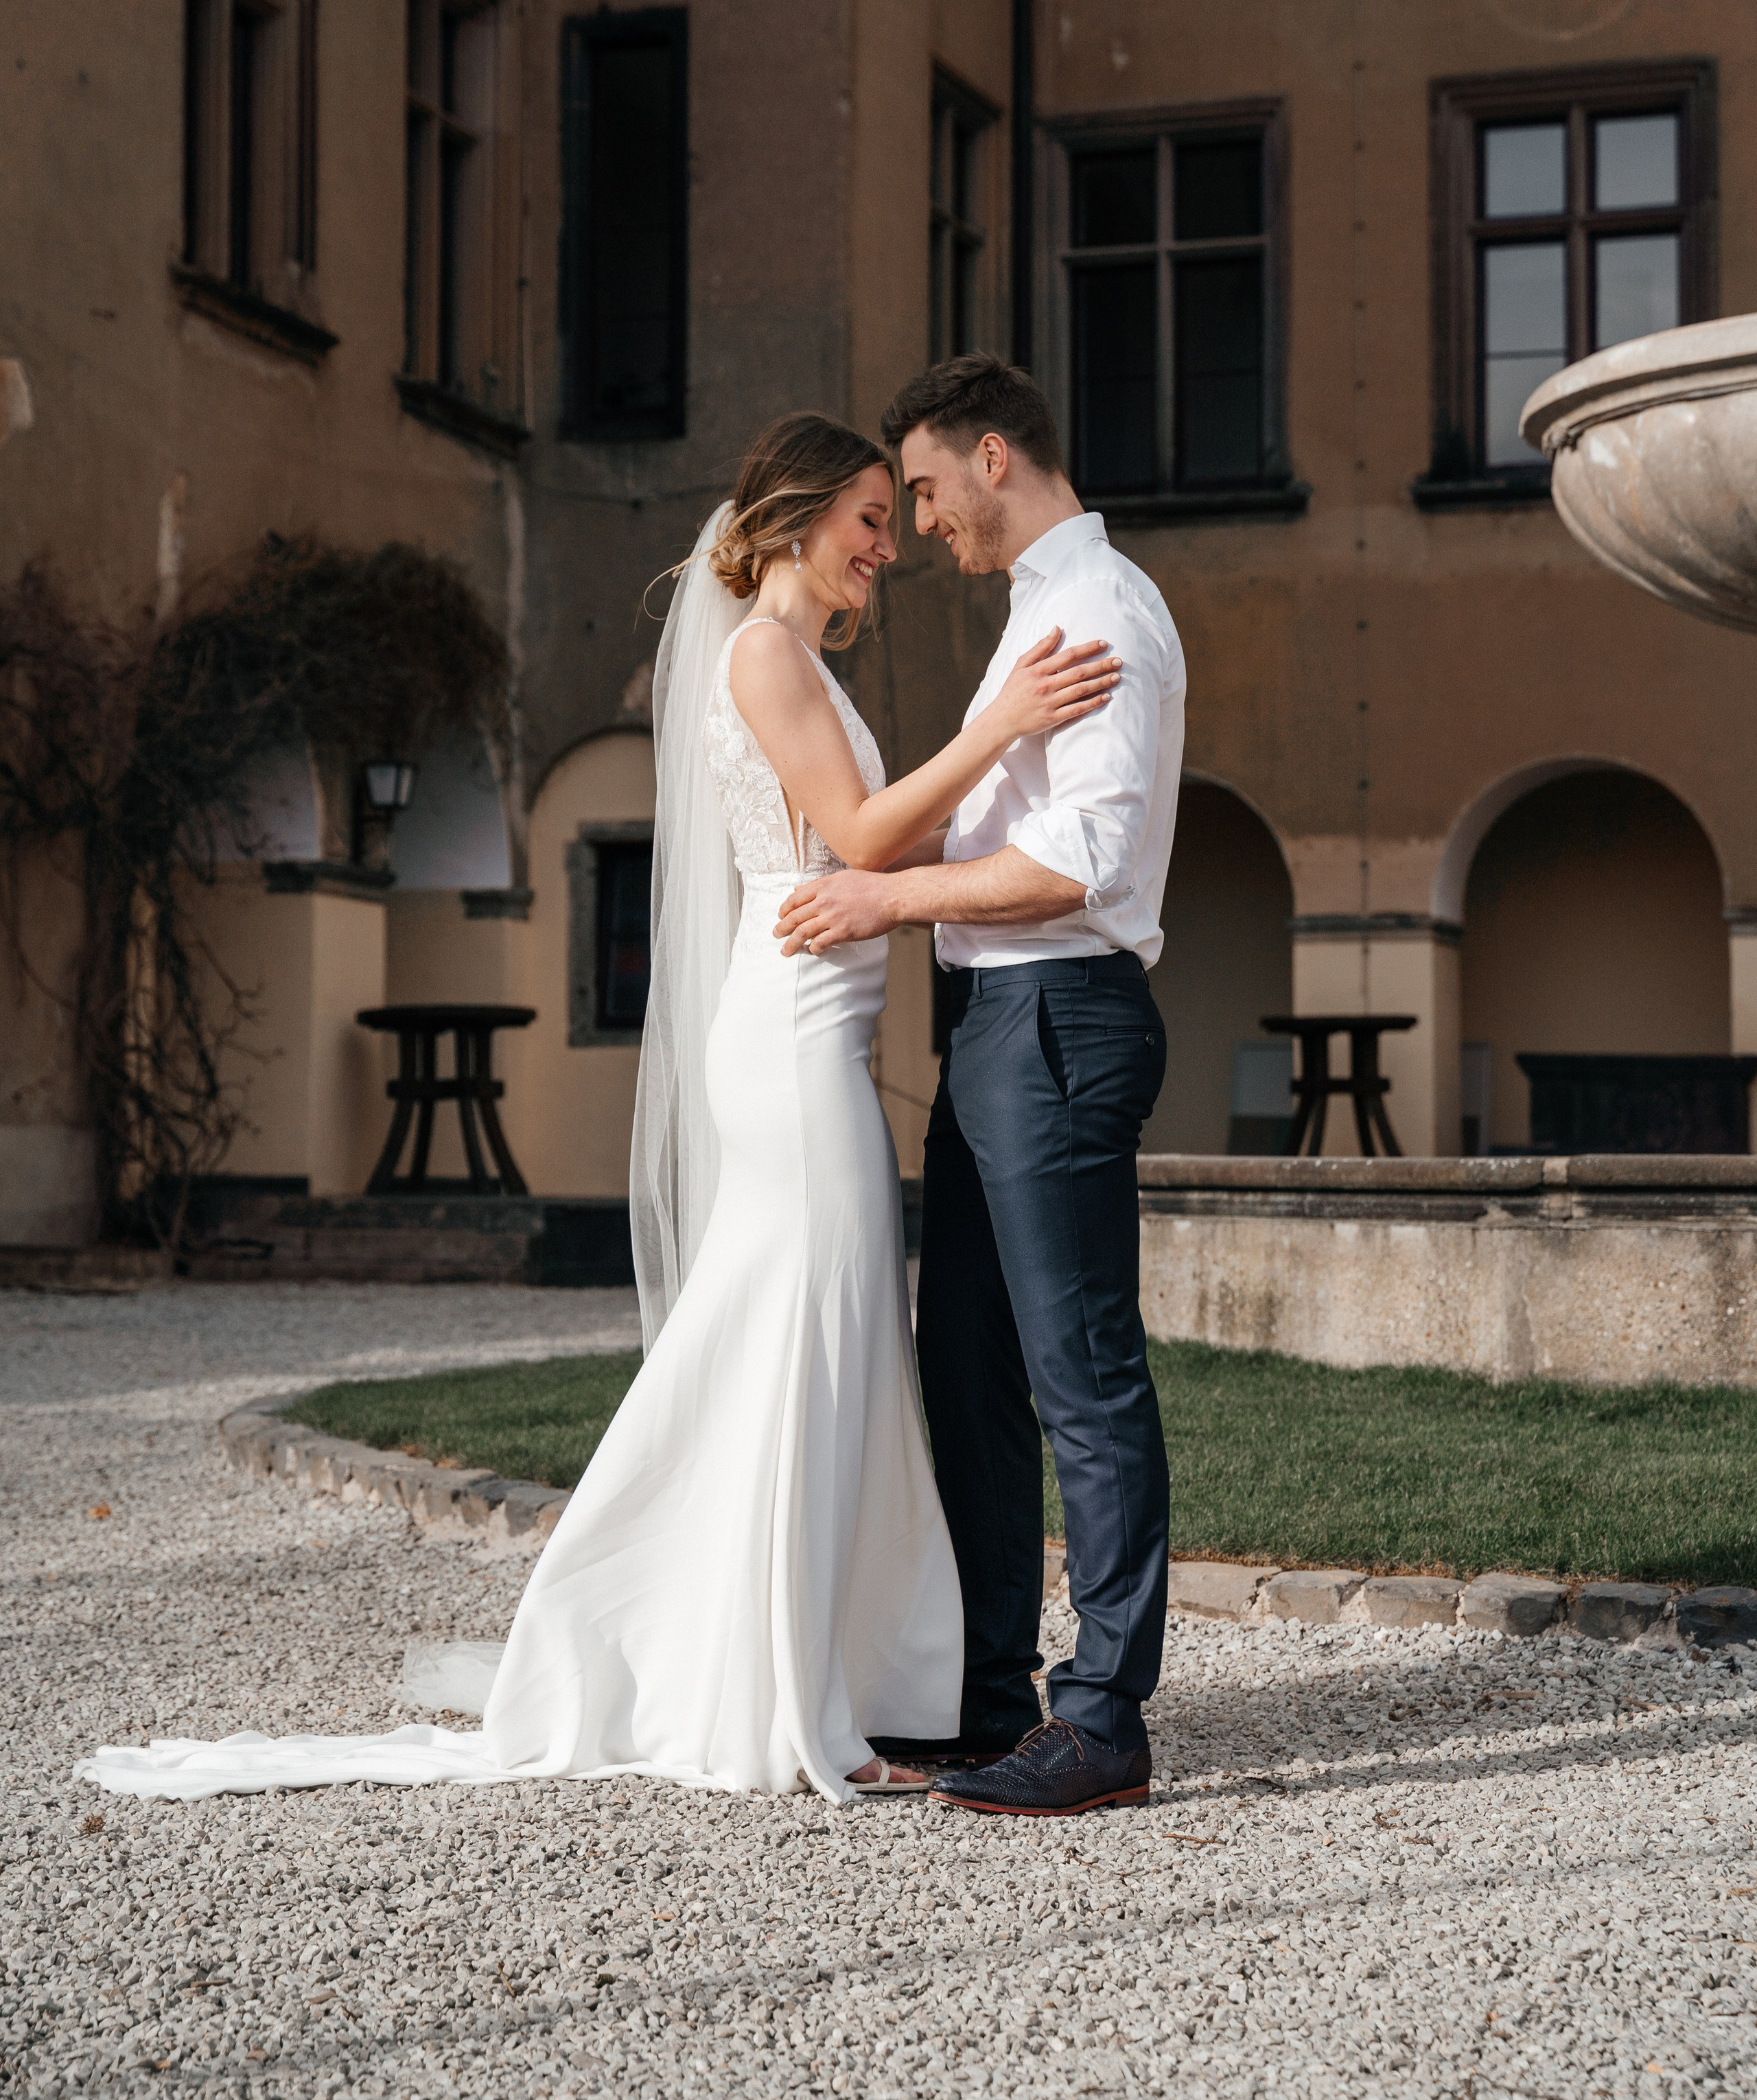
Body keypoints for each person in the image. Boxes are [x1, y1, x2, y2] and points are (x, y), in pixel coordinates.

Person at [75, 411, 1120, 1807]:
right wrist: (999, 729)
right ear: (797, 521)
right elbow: (864, 842)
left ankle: (810, 1661)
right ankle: (776, 1688)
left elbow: (880, 839)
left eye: (889, 519)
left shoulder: (795, 660)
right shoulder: (762, 655)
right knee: (801, 1331)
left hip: (823, 1027)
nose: (887, 547)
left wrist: (1000, 785)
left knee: (816, 1335)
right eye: (869, 519)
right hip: (794, 1039)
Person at [776, 358, 1186, 1819]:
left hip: (1059, 1010)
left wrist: (882, 905)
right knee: (966, 1363)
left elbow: (1074, 865)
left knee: (1079, 1377)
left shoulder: (1099, 612)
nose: (922, 526)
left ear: (994, 455)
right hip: (996, 1024)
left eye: (931, 492)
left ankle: (1104, 1721)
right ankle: (987, 1697)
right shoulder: (1033, 615)